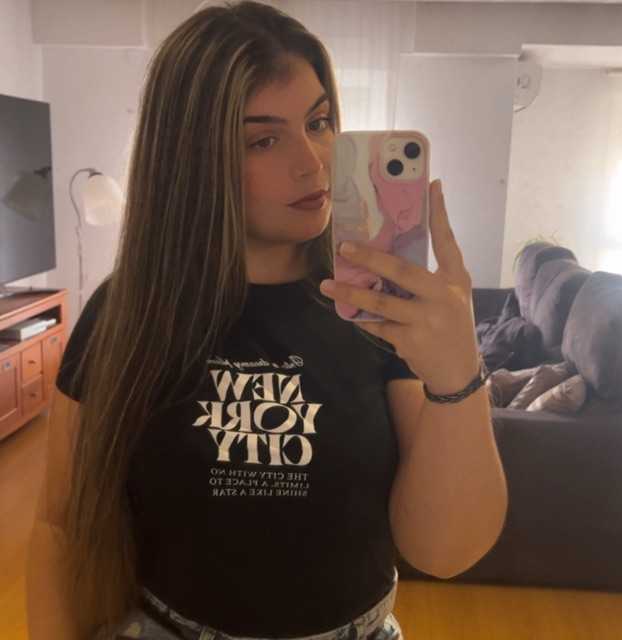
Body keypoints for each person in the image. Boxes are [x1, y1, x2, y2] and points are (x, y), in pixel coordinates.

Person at [26, 2, 423, 638]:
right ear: (193, 159)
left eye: (318, 122)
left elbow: (443, 545)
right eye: (262, 139)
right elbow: (61, 525)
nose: (313, 162)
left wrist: (461, 376)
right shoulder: (125, 314)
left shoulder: (378, 308)